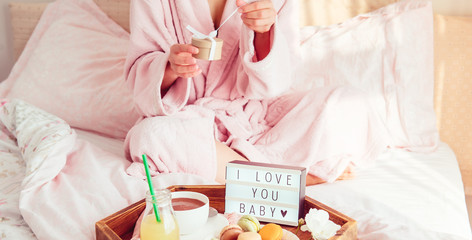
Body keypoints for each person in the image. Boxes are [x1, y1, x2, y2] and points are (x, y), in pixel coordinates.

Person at [124, 0, 387, 185]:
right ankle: (289, 182)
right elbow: (141, 79)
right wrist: (170, 68)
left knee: (350, 104)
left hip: (257, 119)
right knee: (150, 136)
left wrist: (264, 33)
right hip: (190, 125)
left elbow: (278, 82)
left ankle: (242, 176)